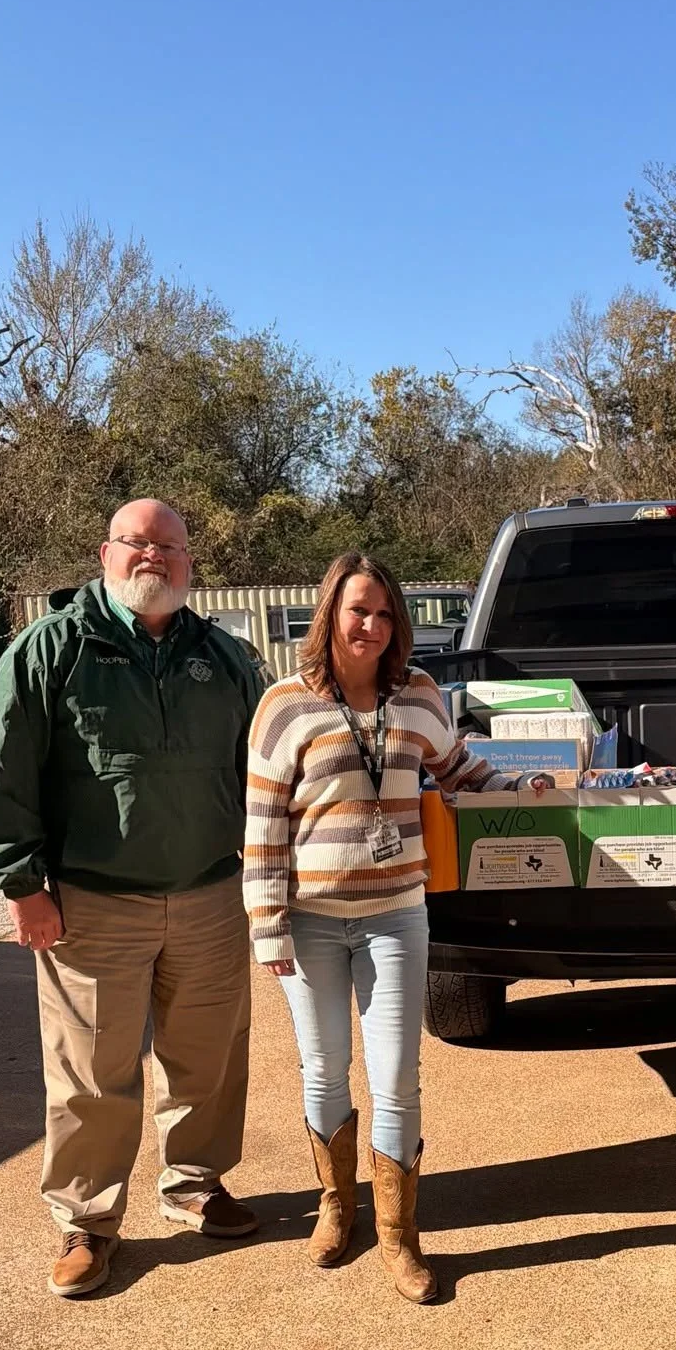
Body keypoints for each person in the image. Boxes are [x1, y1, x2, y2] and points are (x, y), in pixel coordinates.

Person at [0, 499, 266, 1299]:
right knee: (92, 1074)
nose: (155, 559)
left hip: (211, 895)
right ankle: (87, 1222)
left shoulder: (228, 658)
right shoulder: (50, 650)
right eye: (139, 544)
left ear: (190, 563)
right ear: (107, 553)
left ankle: (194, 1183)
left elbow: (265, 777)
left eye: (171, 547)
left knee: (208, 1057)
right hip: (92, 903)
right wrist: (22, 885)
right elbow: (0, 775)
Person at [244, 552, 546, 1303]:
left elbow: (461, 772)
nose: (372, 626)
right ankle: (334, 1208)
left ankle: (398, 1236)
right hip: (311, 921)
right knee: (323, 1071)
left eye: (384, 613)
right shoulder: (285, 704)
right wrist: (267, 925)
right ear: (330, 615)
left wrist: (523, 785)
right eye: (358, 611)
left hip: (395, 919)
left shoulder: (418, 695)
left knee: (397, 1080)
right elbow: (262, 823)